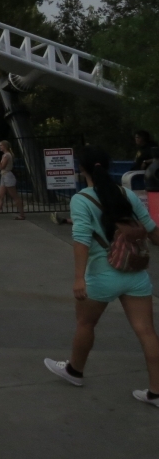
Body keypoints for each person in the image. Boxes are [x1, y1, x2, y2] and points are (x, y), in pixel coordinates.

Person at [44, 146, 159, 408]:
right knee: (147, 332)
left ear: (81, 168)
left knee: (86, 324)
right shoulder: (126, 194)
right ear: (107, 166)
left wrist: (78, 279)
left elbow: (81, 240)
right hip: (135, 273)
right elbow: (152, 231)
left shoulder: (81, 200)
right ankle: (156, 392)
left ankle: (75, 371)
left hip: (101, 276)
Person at [0, 140, 25, 220]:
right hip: (4, 176)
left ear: (5, 146)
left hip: (7, 176)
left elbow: (1, 167)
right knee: (0, 196)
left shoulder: (7, 155)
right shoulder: (5, 155)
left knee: (15, 196)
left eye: (1, 145)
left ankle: (22, 214)